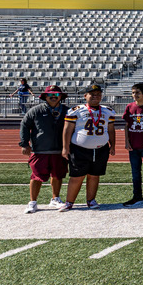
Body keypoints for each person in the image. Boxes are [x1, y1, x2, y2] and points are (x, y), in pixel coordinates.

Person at [60, 84, 116, 210]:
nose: (95, 97)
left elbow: (111, 129)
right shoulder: (76, 110)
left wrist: (113, 145)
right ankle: (69, 202)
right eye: (92, 94)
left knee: (94, 175)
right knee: (76, 177)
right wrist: (65, 147)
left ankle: (91, 200)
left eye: (98, 94)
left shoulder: (108, 111)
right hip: (79, 149)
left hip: (101, 149)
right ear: (85, 96)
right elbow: (67, 130)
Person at [18, 84, 70, 213]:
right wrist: (25, 143)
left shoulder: (67, 111)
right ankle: (33, 202)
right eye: (50, 95)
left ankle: (55, 198)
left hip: (60, 149)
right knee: (36, 176)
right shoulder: (36, 110)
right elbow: (24, 125)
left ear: (61, 97)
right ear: (45, 97)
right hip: (40, 149)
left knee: (58, 175)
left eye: (56, 94)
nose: (53, 97)